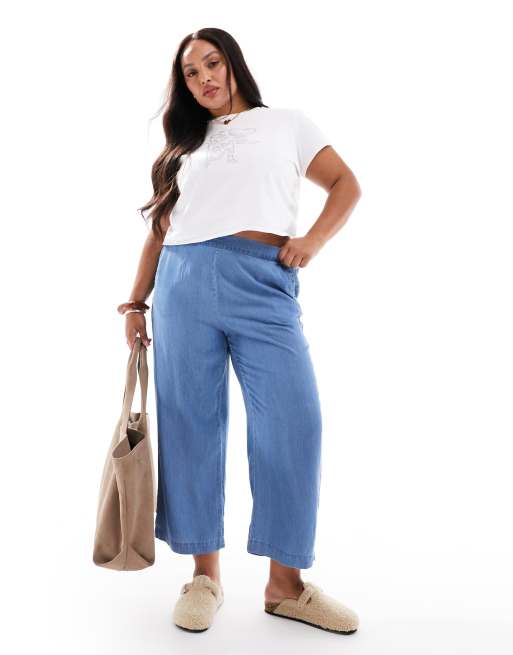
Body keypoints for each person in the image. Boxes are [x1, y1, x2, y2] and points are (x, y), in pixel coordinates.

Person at [117, 27, 362, 633]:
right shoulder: (183, 147)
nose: (204, 78)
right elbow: (159, 232)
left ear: (233, 63)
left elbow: (346, 185)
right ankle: (205, 577)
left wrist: (312, 241)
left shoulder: (287, 124)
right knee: (191, 426)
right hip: (182, 286)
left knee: (294, 422)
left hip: (264, 284)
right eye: (191, 73)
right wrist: (136, 304)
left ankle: (286, 586)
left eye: (212, 63)